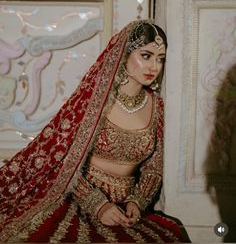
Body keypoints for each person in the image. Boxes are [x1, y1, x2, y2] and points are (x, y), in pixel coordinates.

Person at [0, 20, 190, 243]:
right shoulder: (95, 100)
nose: (154, 67)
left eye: (160, 59)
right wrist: (97, 205)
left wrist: (136, 202)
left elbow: (153, 168)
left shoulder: (157, 107)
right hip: (79, 201)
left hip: (127, 210)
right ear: (124, 54)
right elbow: (66, 160)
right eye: (146, 56)